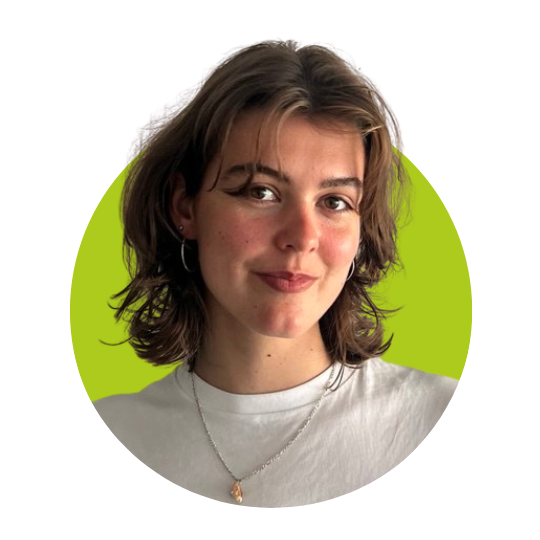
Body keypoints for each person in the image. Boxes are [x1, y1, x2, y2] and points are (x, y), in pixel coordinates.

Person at [93, 40, 458, 507]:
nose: (302, 237)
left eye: (335, 202)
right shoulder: (107, 434)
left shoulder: (442, 421)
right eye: (260, 192)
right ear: (185, 207)